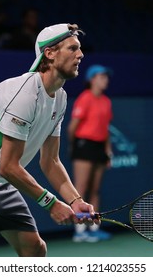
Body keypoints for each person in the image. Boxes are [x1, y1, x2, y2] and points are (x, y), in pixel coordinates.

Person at [0, 23, 98, 257]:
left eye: (80, 49)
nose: (80, 54)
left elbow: (50, 160)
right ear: (50, 54)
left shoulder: (60, 98)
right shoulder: (24, 94)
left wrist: (75, 201)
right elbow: (9, 167)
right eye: (72, 48)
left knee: (35, 250)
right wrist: (51, 204)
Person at [67, 64, 113, 242]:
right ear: (92, 79)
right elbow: (72, 127)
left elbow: (106, 129)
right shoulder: (84, 98)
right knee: (81, 190)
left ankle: (94, 227)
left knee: (95, 189)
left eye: (106, 77)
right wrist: (75, 146)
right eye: (102, 77)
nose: (105, 80)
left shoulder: (106, 101)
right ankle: (80, 232)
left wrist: (108, 151)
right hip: (84, 145)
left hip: (100, 147)